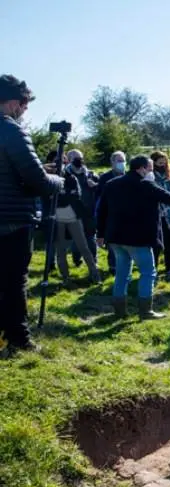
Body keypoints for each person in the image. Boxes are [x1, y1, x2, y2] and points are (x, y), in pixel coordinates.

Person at [97, 155, 170, 320]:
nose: (152, 172)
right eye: (150, 169)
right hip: (138, 238)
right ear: (141, 169)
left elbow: (102, 211)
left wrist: (101, 234)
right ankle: (145, 311)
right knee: (148, 272)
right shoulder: (146, 185)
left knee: (122, 274)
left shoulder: (111, 184)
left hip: (115, 238)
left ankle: (120, 311)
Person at [0, 75, 64, 355]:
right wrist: (59, 181)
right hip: (11, 219)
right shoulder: (11, 130)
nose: (25, 109)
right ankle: (18, 338)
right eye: (24, 104)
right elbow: (37, 181)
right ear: (14, 103)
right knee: (14, 281)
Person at [55, 149, 101, 285]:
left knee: (83, 245)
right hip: (57, 215)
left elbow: (76, 195)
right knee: (61, 249)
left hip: (73, 214)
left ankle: (94, 273)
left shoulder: (73, 177)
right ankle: (65, 278)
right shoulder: (52, 176)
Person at [149, 151, 170, 282]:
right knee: (161, 246)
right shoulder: (150, 179)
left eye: (164, 163)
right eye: (159, 163)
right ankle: (154, 272)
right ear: (153, 164)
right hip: (158, 216)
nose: (162, 165)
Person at [67, 149, 100, 267]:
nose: (78, 161)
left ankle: (94, 261)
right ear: (69, 160)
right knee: (77, 238)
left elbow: (100, 190)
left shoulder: (90, 174)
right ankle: (77, 259)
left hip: (89, 211)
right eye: (75, 158)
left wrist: (95, 185)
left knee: (91, 238)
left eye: (80, 158)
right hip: (73, 211)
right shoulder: (65, 174)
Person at [96, 151, 127, 274]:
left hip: (126, 215)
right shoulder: (105, 178)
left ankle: (124, 266)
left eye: (123, 160)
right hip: (110, 215)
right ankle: (113, 267)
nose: (122, 163)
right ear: (112, 162)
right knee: (113, 244)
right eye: (119, 161)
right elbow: (100, 198)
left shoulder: (128, 176)